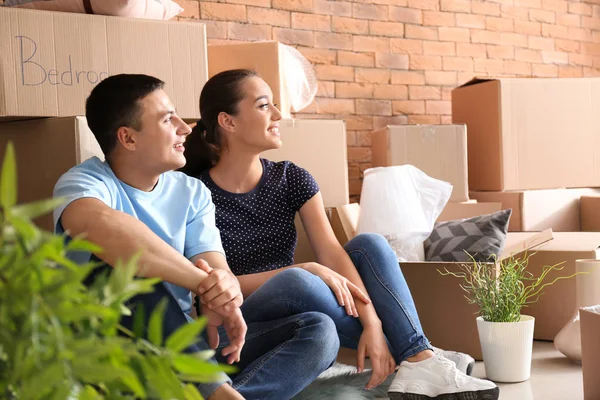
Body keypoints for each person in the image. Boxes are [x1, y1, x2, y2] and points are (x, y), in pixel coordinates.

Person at [180, 69, 501, 400]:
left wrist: (373, 323)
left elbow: (331, 253)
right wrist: (300, 270)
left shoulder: (292, 179)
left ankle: (418, 357)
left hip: (297, 319)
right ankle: (422, 357)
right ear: (228, 122)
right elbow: (219, 284)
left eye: (275, 105)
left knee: (366, 247)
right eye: (264, 106)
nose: (278, 115)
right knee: (299, 281)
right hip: (232, 327)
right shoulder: (195, 193)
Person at [53, 73, 340, 400]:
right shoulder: (83, 183)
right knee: (124, 275)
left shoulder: (191, 191)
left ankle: (226, 394)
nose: (185, 127)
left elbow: (216, 266)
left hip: (188, 350)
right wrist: (203, 285)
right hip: (118, 353)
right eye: (166, 119)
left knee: (319, 330)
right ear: (128, 138)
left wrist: (225, 291)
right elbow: (104, 227)